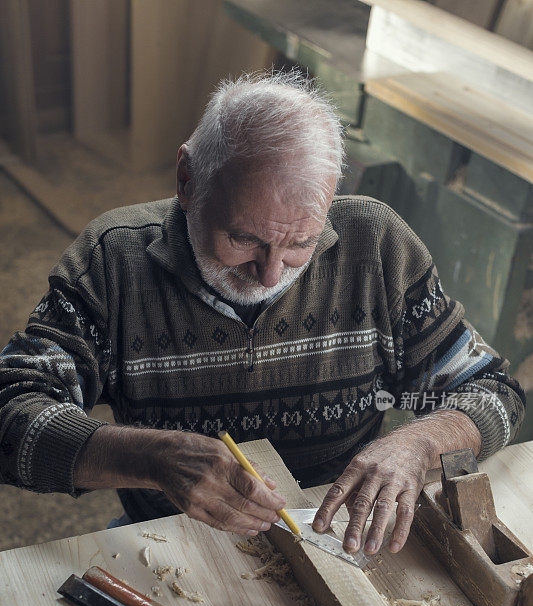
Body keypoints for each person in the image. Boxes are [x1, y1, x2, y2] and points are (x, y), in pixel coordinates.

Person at [0, 72, 524, 556]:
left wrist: (420, 442)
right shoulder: (115, 261)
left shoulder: (377, 246)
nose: (271, 274)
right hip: (175, 538)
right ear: (187, 180)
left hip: (336, 536)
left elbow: (495, 391)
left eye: (300, 243)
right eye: (243, 238)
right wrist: (150, 458)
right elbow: (9, 412)